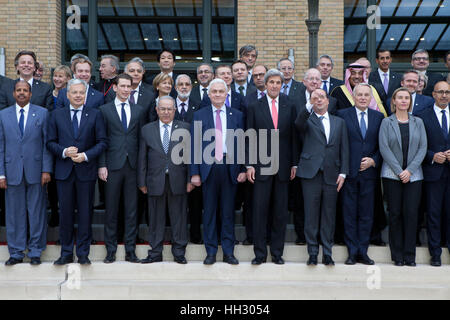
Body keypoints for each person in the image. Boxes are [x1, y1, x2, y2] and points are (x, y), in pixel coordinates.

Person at [47, 79, 107, 265]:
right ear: (68, 94)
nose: (79, 95)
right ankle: (65, 253)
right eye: (75, 92)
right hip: (64, 172)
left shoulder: (95, 114)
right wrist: (64, 152)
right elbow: (50, 142)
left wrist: (86, 156)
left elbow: (102, 142)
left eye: (82, 92)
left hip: (86, 172)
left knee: (85, 213)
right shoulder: (57, 115)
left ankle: (82, 253)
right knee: (65, 213)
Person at [191, 78, 246, 265]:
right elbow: (194, 145)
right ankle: (211, 252)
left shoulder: (237, 115)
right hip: (208, 168)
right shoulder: (200, 115)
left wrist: (244, 168)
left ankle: (229, 252)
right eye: (214, 91)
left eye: (221, 91)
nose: (217, 94)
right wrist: (194, 172)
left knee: (228, 212)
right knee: (210, 212)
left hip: (230, 168)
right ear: (209, 94)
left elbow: (243, 144)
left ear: (226, 93)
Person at [246, 69, 299, 265]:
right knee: (259, 211)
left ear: (282, 84)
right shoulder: (254, 106)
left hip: (284, 167)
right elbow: (249, 136)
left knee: (280, 212)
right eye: (271, 82)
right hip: (261, 167)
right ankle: (260, 254)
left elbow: (294, 137)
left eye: (278, 82)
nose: (275, 85)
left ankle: (277, 253)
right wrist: (249, 164)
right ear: (265, 85)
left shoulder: (290, 105)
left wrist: (294, 162)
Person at [0, 81, 52, 266]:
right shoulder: (3, 115)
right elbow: (0, 146)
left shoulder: (43, 113)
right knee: (14, 214)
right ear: (13, 93)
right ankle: (16, 252)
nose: (22, 93)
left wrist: (46, 169)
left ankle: (36, 251)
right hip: (12, 171)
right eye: (18, 90)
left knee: (36, 213)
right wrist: (1, 174)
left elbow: (47, 143)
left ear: (30, 94)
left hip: (36, 171)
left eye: (25, 90)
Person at [295, 88, 349, 266]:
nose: (319, 100)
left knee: (328, 214)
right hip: (310, 173)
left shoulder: (339, 122)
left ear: (328, 101)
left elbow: (344, 149)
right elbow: (298, 124)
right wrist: (308, 105)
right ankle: (312, 252)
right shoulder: (307, 119)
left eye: (322, 97)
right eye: (315, 97)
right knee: (310, 214)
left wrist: (343, 172)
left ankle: (327, 252)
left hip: (332, 174)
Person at [98, 73, 146, 264]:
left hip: (133, 167)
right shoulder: (104, 110)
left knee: (131, 210)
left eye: (129, 87)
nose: (127, 89)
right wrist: (101, 164)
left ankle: (130, 250)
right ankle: (110, 250)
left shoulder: (139, 110)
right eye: (123, 86)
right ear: (115, 88)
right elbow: (101, 140)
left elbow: (142, 141)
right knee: (111, 210)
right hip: (112, 166)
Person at [139, 96, 192, 264]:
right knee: (155, 219)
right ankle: (155, 252)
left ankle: (179, 252)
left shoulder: (185, 128)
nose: (166, 112)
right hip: (154, 181)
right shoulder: (147, 129)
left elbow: (191, 157)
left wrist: (191, 179)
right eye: (163, 109)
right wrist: (142, 181)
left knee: (179, 218)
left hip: (179, 180)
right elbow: (142, 158)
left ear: (175, 110)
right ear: (157, 110)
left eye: (170, 109)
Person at [379, 87, 427, 267]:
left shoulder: (418, 122)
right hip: (392, 175)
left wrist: (409, 170)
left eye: (406, 98)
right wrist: (400, 171)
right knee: (396, 214)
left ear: (410, 101)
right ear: (394, 101)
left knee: (411, 214)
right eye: (400, 98)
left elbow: (423, 147)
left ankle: (410, 255)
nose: (403, 101)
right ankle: (397, 255)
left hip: (414, 176)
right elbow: (384, 148)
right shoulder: (386, 122)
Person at [336, 84, 384, 265]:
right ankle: (351, 252)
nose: (363, 98)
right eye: (359, 95)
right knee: (348, 213)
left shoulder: (379, 117)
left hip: (369, 174)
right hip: (348, 174)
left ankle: (363, 251)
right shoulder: (342, 115)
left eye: (366, 95)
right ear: (354, 97)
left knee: (366, 214)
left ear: (371, 97)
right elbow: (338, 144)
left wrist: (374, 160)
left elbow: (383, 145)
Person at [417, 81, 450, 267]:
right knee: (433, 214)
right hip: (432, 174)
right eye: (440, 92)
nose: (444, 95)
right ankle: (435, 253)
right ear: (434, 95)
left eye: (447, 92)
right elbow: (418, 145)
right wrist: (431, 156)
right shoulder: (422, 117)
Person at [173, 74, 202, 244]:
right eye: (180, 84)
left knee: (195, 203)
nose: (184, 87)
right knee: (175, 201)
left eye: (187, 84)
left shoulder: (198, 107)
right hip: (172, 161)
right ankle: (177, 237)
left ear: (192, 87)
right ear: (175, 87)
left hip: (194, 160)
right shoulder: (168, 106)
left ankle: (195, 236)